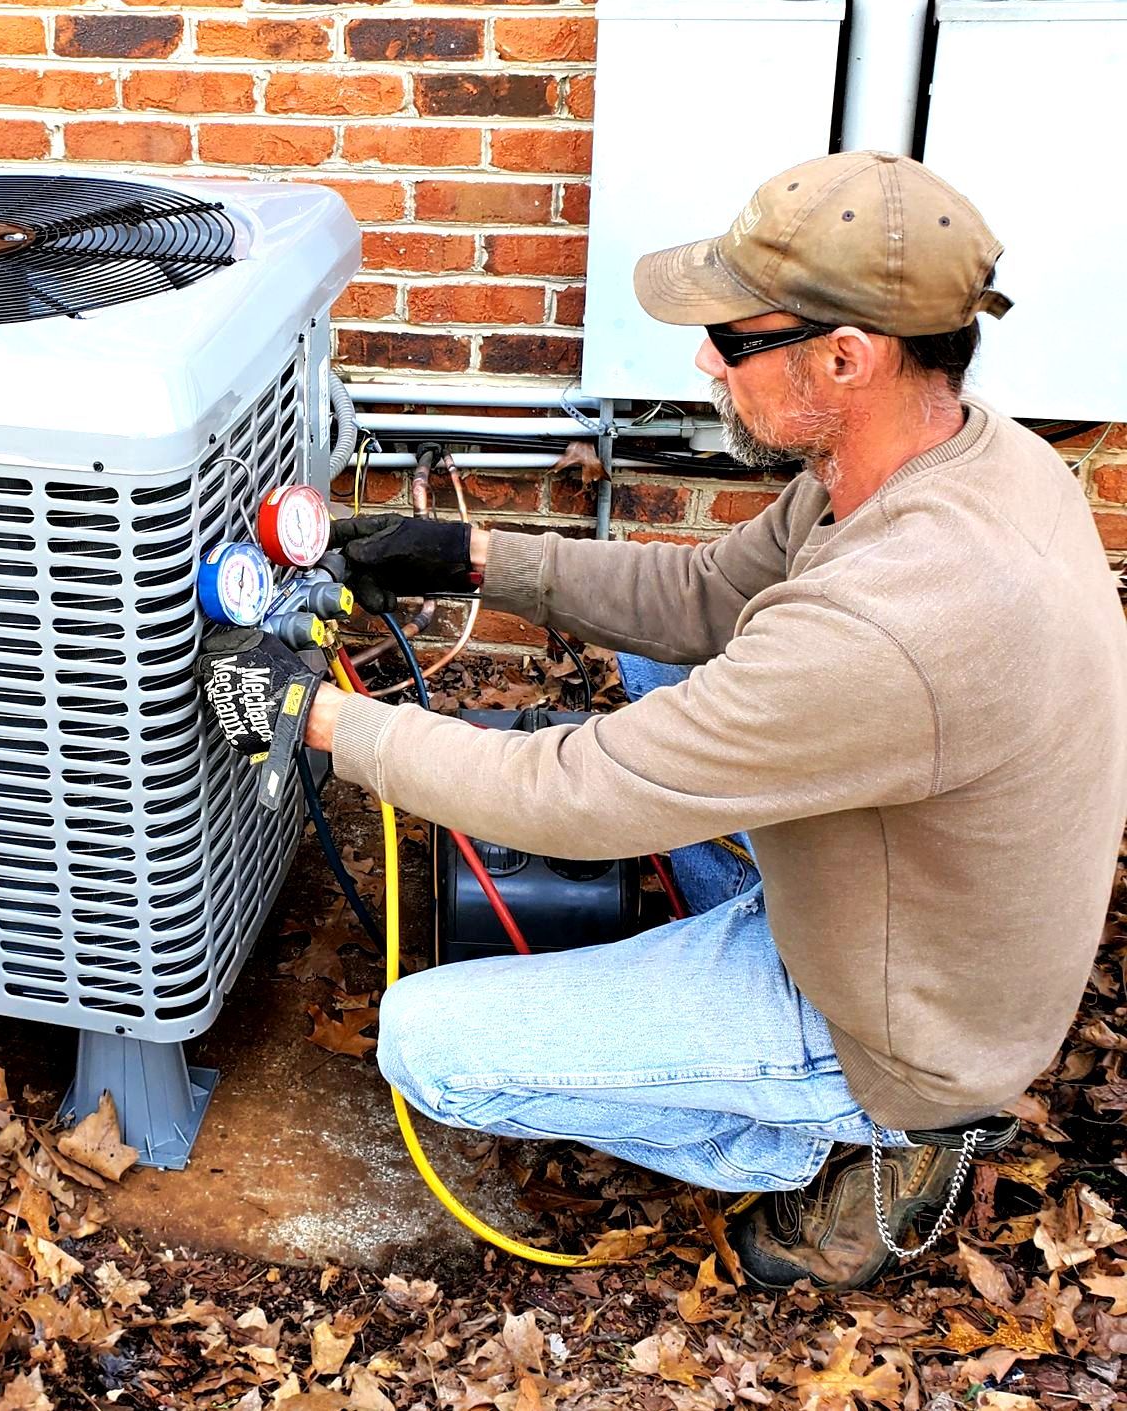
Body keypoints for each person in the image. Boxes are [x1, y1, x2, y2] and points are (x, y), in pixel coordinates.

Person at [196, 152, 1127, 1289]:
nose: (702, 359)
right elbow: (699, 602)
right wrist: (467, 555)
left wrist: (318, 717)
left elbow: (569, 799)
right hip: (909, 898)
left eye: (732, 342)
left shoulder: (894, 621)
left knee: (428, 1047)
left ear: (847, 357)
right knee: (661, 657)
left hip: (892, 1022)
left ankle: (859, 1140)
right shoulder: (942, 456)